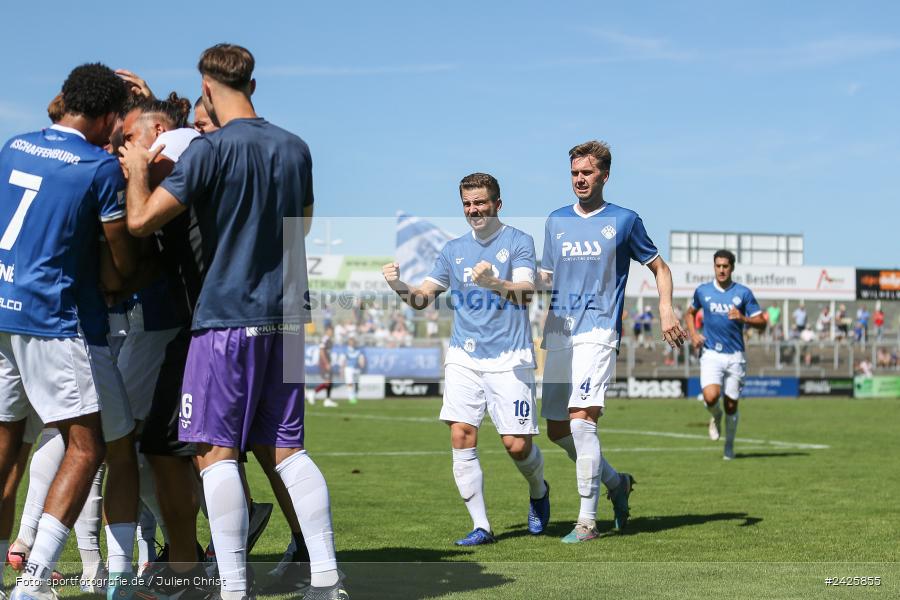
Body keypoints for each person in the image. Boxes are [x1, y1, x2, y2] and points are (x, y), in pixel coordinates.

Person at [119, 44, 344, 600]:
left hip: (226, 318)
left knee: (212, 452)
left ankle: (234, 589)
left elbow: (143, 221)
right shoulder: (296, 147)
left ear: (208, 86)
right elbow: (304, 226)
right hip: (288, 316)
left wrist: (139, 168)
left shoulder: (211, 150)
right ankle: (327, 581)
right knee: (288, 450)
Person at [0, 63, 140, 600]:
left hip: (4, 307)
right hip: (53, 316)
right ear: (107, 117)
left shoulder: (14, 145)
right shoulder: (95, 168)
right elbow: (122, 257)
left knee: (8, 444)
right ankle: (34, 583)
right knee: (86, 446)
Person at [382, 172, 550, 545]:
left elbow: (525, 294)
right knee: (461, 433)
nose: (474, 209)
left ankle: (539, 490)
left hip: (510, 357)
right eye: (468, 204)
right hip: (464, 356)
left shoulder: (519, 240)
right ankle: (481, 526)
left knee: (517, 445)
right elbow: (422, 297)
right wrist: (398, 286)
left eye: (481, 202)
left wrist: (495, 283)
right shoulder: (452, 249)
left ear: (497, 204)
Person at [538, 140, 686, 543]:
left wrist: (667, 309)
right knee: (557, 430)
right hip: (558, 330)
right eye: (573, 173)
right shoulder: (555, 221)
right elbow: (547, 278)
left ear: (604, 175)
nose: (579, 180)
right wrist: (504, 286)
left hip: (599, 329)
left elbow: (660, 267)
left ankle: (587, 521)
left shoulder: (624, 220)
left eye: (586, 173)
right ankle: (617, 483)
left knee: (582, 420)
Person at [684, 250, 766, 460]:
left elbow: (762, 322)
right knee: (711, 397)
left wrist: (743, 318)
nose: (721, 270)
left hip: (736, 355)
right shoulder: (703, 291)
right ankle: (715, 416)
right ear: (714, 267)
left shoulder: (743, 293)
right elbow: (690, 313)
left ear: (732, 267)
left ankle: (729, 446)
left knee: (731, 405)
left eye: (725, 266)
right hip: (711, 353)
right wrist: (693, 334)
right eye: (718, 266)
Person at [314, 325, 338, 407]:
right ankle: (313, 392)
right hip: (325, 363)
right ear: (327, 331)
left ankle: (327, 400)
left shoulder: (329, 340)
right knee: (328, 381)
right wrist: (326, 363)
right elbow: (321, 351)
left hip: (327, 362)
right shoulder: (324, 339)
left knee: (329, 381)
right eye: (330, 330)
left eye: (332, 331)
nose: (332, 332)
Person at [340, 338, 365, 405]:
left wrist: (362, 363)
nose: (352, 343)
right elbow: (343, 360)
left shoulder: (359, 350)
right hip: (348, 368)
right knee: (350, 382)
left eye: (353, 342)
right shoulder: (345, 350)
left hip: (356, 369)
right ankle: (351, 397)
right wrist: (342, 370)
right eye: (350, 342)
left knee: (356, 383)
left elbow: (361, 358)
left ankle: (355, 396)